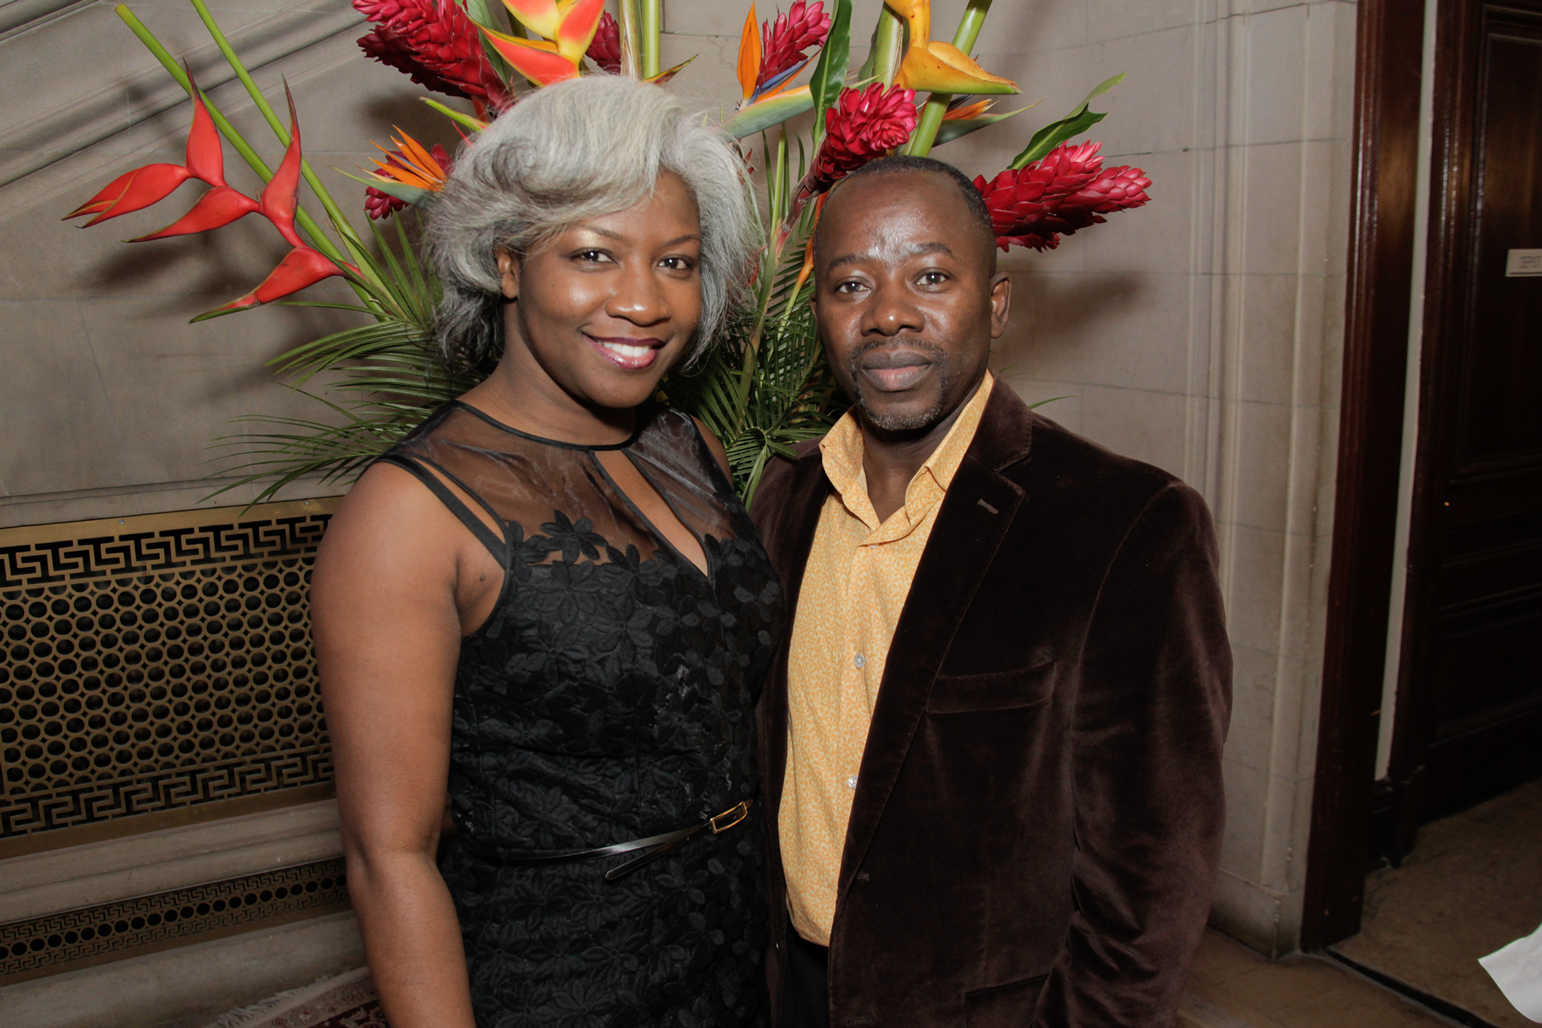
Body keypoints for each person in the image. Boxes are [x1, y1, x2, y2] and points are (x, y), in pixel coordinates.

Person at [311, 76, 783, 1028]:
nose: (643, 301)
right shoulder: (409, 515)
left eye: (677, 263)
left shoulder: (690, 447)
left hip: (740, 945)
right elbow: (390, 858)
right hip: (562, 977)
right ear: (508, 263)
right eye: (594, 255)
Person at [750, 155, 1232, 1028]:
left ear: (997, 305)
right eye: (851, 284)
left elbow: (1154, 876)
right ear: (817, 310)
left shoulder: (1123, 524)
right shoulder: (786, 498)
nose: (888, 313)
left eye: (931, 277)